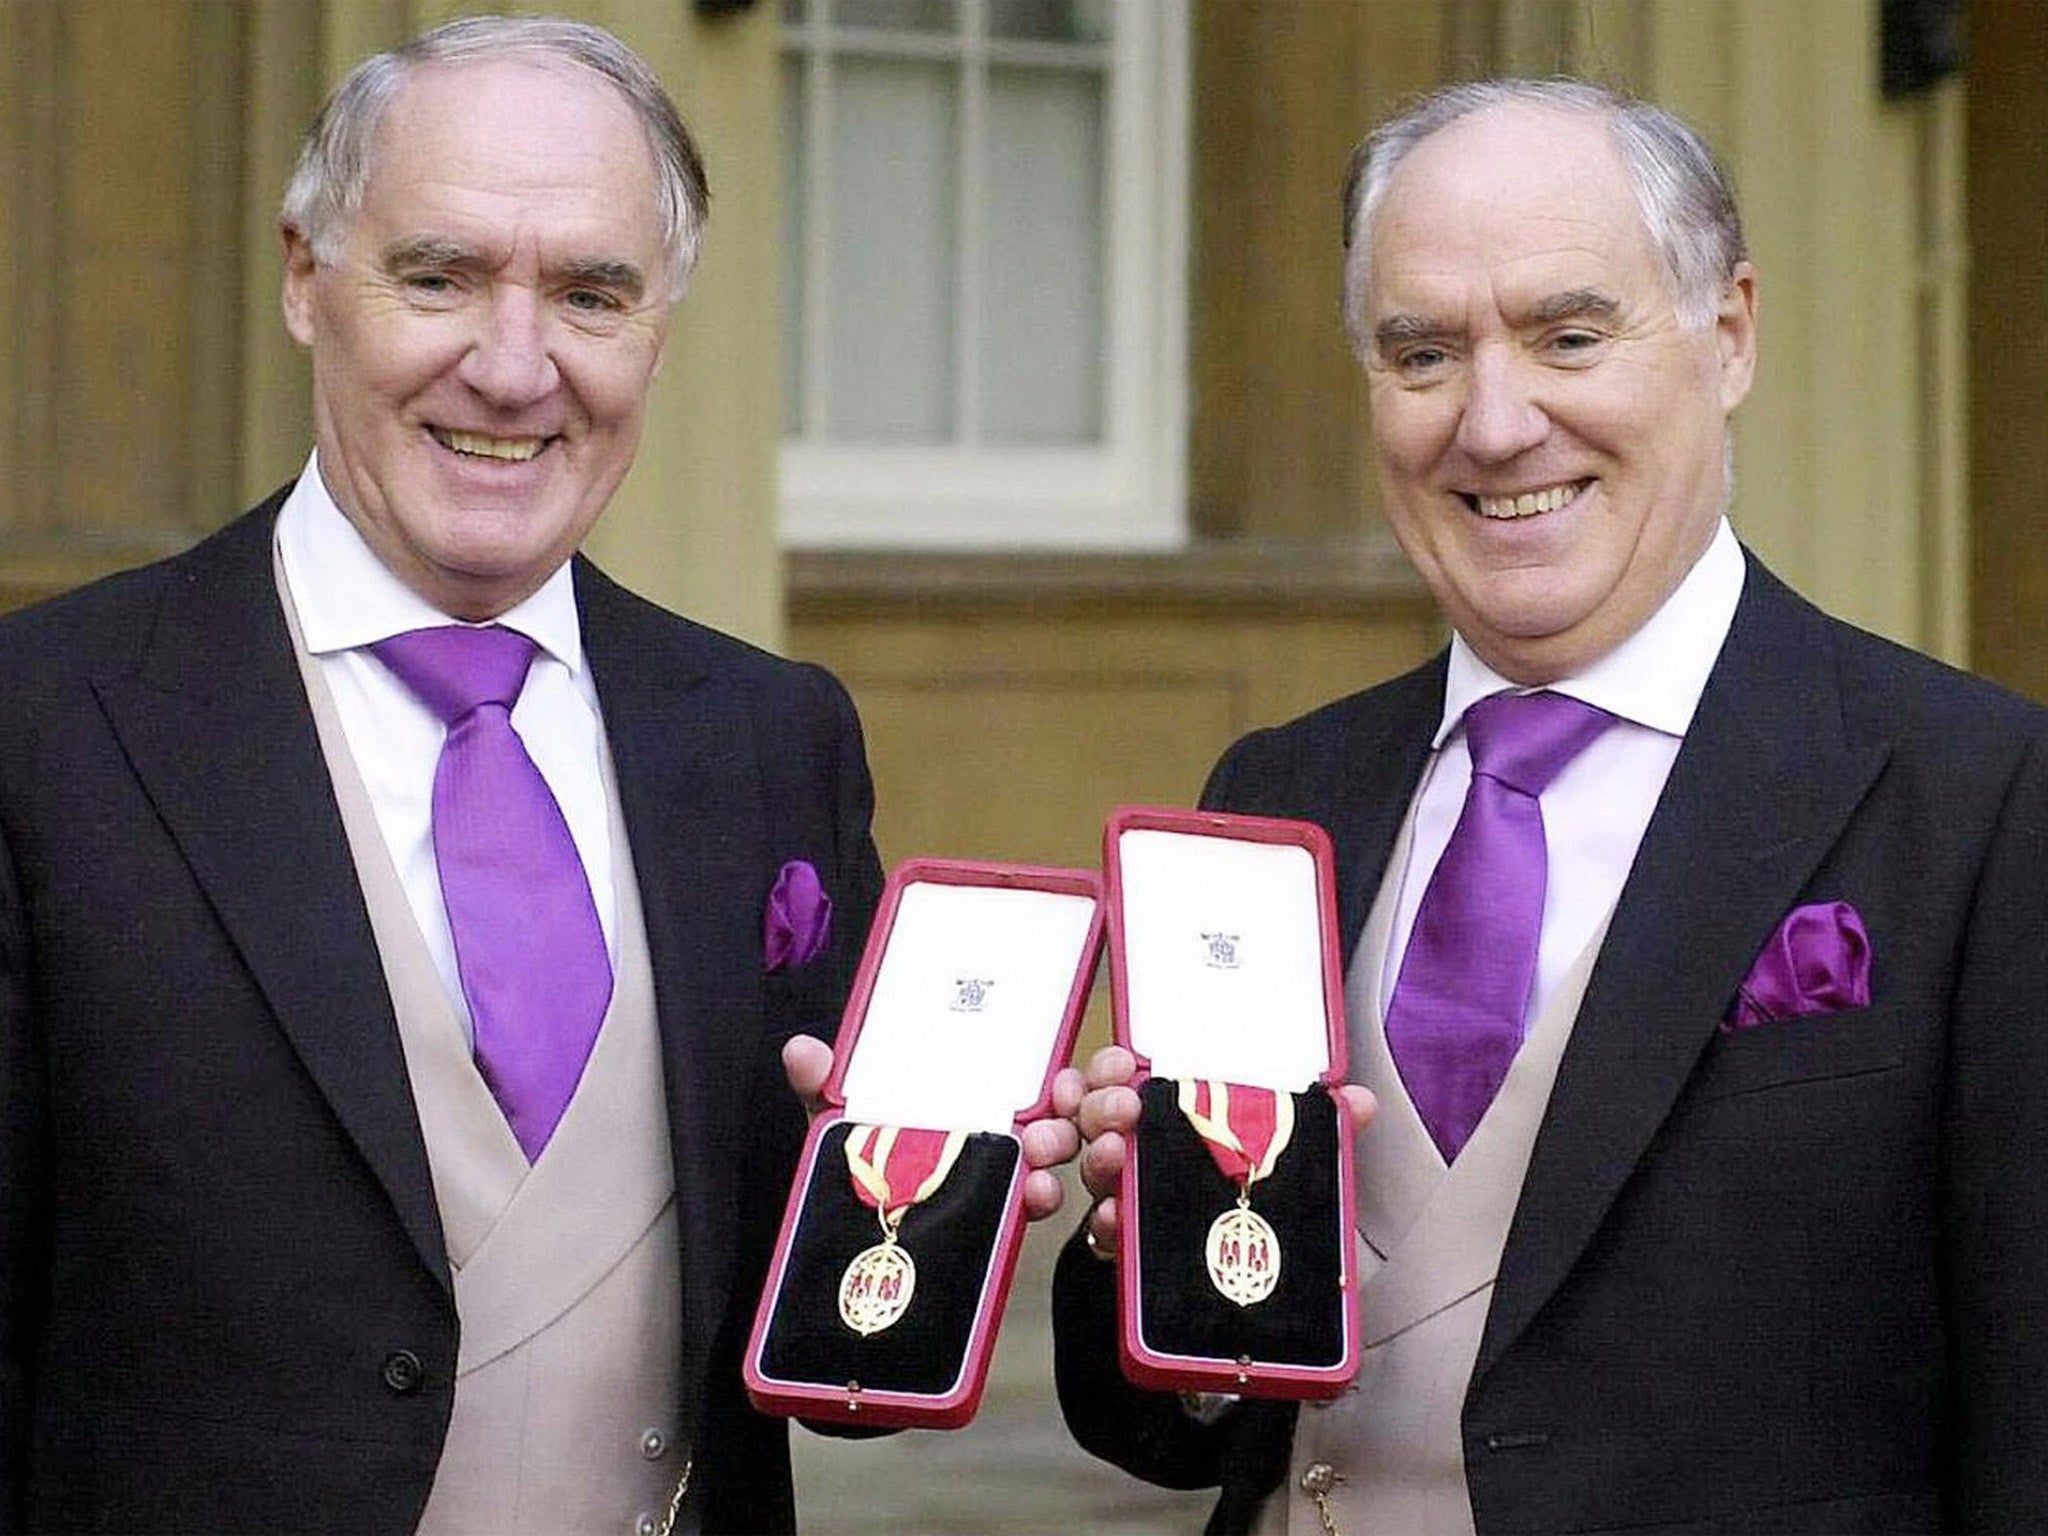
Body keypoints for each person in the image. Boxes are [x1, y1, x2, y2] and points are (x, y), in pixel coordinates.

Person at [0, 17, 1017, 1534]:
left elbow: (818, 1314)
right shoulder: (48, 723)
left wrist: (949, 1206)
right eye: (442, 275)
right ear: (302, 275)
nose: (515, 363)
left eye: (592, 294)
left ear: (658, 325)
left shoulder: (766, 735)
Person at [1052, 78, 2048, 1534]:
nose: (1495, 423)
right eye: (1422, 353)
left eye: (1569, 337)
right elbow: (1171, 1427)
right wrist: (1135, 1250)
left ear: (1730, 336)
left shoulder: (1985, 799)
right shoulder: (1284, 792)